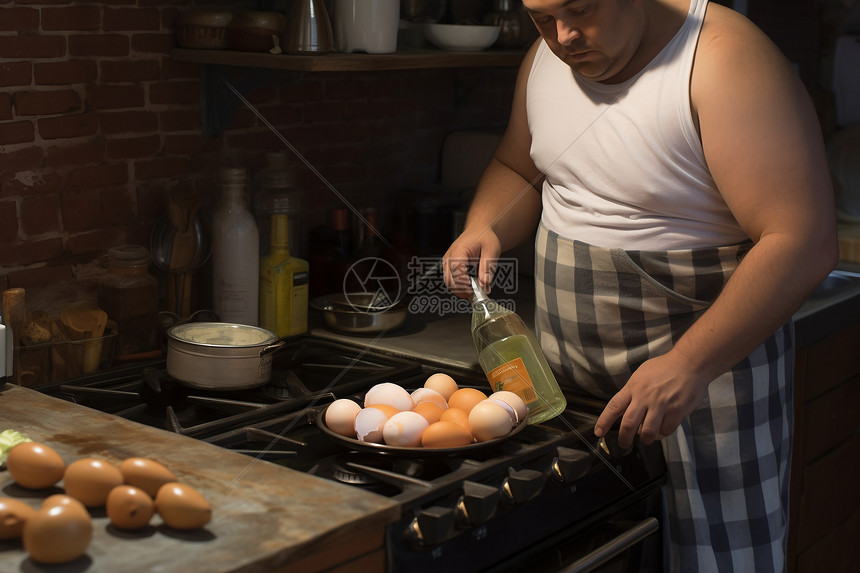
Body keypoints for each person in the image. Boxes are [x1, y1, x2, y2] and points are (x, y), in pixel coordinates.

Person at [443, 0, 838, 571]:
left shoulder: (722, 59)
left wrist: (689, 366)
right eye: (541, 18)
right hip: (568, 387)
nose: (563, 36)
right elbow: (518, 166)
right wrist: (485, 224)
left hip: (706, 388)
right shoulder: (547, 57)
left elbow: (802, 240)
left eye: (579, 10)